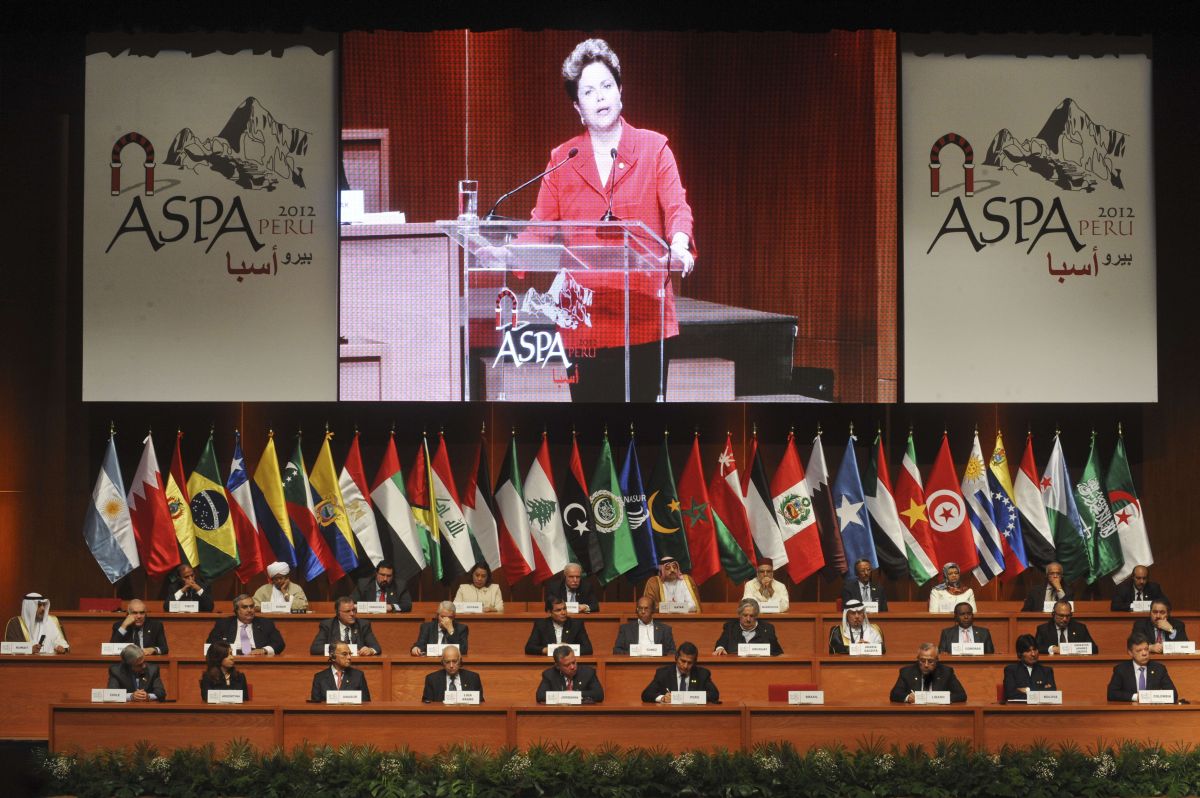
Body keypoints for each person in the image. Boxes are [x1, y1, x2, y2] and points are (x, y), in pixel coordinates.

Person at [507, 38, 696, 402]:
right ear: (578, 107)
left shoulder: (654, 148)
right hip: (585, 325)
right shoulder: (563, 159)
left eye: (607, 86)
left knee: (641, 441)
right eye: (589, 92)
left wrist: (679, 245)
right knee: (592, 440)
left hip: (645, 319)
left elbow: (677, 208)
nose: (600, 97)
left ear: (621, 91)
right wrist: (507, 255)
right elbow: (538, 228)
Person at [206, 593, 286, 655]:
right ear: (236, 610)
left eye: (251, 606)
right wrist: (229, 650)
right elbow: (210, 644)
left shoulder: (265, 623)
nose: (249, 610)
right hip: (232, 658)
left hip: (258, 659)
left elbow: (279, 643)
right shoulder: (224, 624)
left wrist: (263, 650)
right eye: (245, 607)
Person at [640, 642, 720, 703]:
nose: (685, 666)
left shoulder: (702, 674)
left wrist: (694, 696)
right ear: (676, 658)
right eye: (683, 661)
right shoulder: (663, 673)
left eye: (689, 663)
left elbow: (714, 695)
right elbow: (646, 694)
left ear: (695, 662)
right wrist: (663, 698)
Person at [1107, 633, 1177, 702]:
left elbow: (1174, 695)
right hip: (1131, 711)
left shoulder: (1159, 669)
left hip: (1152, 711)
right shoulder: (1121, 669)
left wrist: (1154, 697)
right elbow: (1111, 694)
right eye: (1139, 650)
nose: (1144, 653)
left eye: (1146, 649)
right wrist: (1136, 697)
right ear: (1130, 653)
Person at [889, 643, 967, 703]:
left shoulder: (946, 672)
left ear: (937, 660)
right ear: (918, 659)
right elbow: (894, 694)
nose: (926, 665)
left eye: (930, 661)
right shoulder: (907, 672)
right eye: (922, 661)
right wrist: (908, 697)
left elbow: (961, 695)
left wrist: (943, 698)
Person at [310, 596, 382, 656]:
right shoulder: (328, 625)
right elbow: (315, 648)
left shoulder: (363, 625)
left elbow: (376, 647)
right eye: (347, 611)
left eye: (353, 610)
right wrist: (339, 649)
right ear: (338, 613)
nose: (352, 614)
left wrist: (370, 650)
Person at [713, 598, 783, 656]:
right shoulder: (730, 626)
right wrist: (720, 648)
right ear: (739, 614)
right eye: (745, 615)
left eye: (751, 616)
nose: (748, 619)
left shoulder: (767, 628)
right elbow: (721, 642)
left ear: (756, 616)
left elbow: (777, 651)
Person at [536, 645, 603, 703]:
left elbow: (599, 695)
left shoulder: (588, 672)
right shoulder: (549, 674)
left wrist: (573, 694)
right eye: (567, 665)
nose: (572, 667)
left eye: (574, 662)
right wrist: (564, 695)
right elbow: (540, 696)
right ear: (557, 666)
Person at [524, 598, 593, 655]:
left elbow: (588, 649)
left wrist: (568, 648)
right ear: (549, 612)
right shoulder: (541, 624)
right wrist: (546, 650)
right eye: (558, 610)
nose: (563, 613)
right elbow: (529, 648)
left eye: (564, 608)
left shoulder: (576, 624)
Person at [5, 593, 69, 654]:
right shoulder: (15, 624)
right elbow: (8, 648)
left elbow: (61, 643)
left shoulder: (52, 621)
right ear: (29, 608)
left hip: (50, 662)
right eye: (39, 605)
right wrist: (29, 649)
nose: (43, 608)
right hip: (26, 664)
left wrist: (60, 648)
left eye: (44, 605)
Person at [1002, 634, 1056, 702]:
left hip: (1040, 710)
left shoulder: (1047, 671)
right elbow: (1010, 694)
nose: (1033, 654)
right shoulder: (1011, 670)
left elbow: (1052, 694)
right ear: (1020, 654)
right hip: (1018, 710)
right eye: (1028, 651)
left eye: (1035, 649)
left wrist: (1027, 690)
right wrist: (1041, 689)